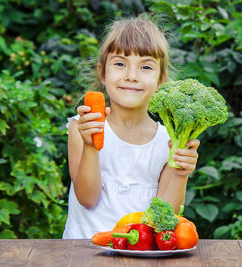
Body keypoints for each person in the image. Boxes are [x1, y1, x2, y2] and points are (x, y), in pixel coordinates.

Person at [62, 14, 200, 239]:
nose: (131, 76)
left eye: (146, 67)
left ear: (160, 80)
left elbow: (165, 218)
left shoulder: (168, 141)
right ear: (102, 74)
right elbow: (87, 198)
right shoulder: (83, 128)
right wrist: (90, 146)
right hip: (83, 252)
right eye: (120, 64)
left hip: (141, 254)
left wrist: (181, 174)